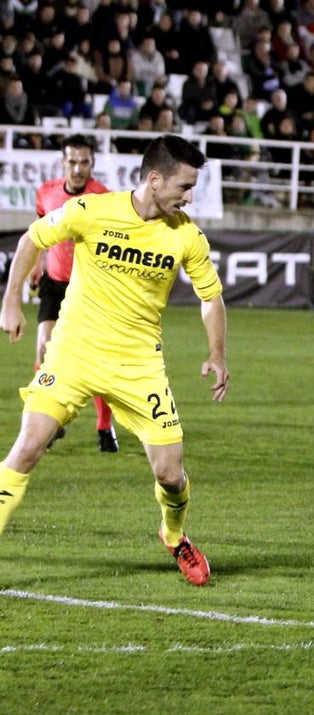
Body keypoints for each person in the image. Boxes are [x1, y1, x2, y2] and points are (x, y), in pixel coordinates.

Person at [0, 135, 230, 587]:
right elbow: (34, 236)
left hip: (138, 364)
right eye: (184, 187)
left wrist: (217, 353)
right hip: (73, 354)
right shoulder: (94, 211)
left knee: (170, 474)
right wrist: (10, 300)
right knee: (26, 448)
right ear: (154, 179)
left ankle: (174, 534)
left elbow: (211, 297)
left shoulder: (186, 234)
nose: (188, 197)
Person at [29, 134, 117, 453]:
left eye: (84, 162)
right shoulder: (46, 193)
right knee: (44, 351)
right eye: (72, 161)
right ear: (62, 162)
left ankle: (105, 427)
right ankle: (51, 423)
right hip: (54, 282)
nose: (78, 168)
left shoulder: (104, 197)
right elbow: (41, 230)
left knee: (95, 361)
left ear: (92, 164)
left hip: (89, 288)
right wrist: (37, 264)